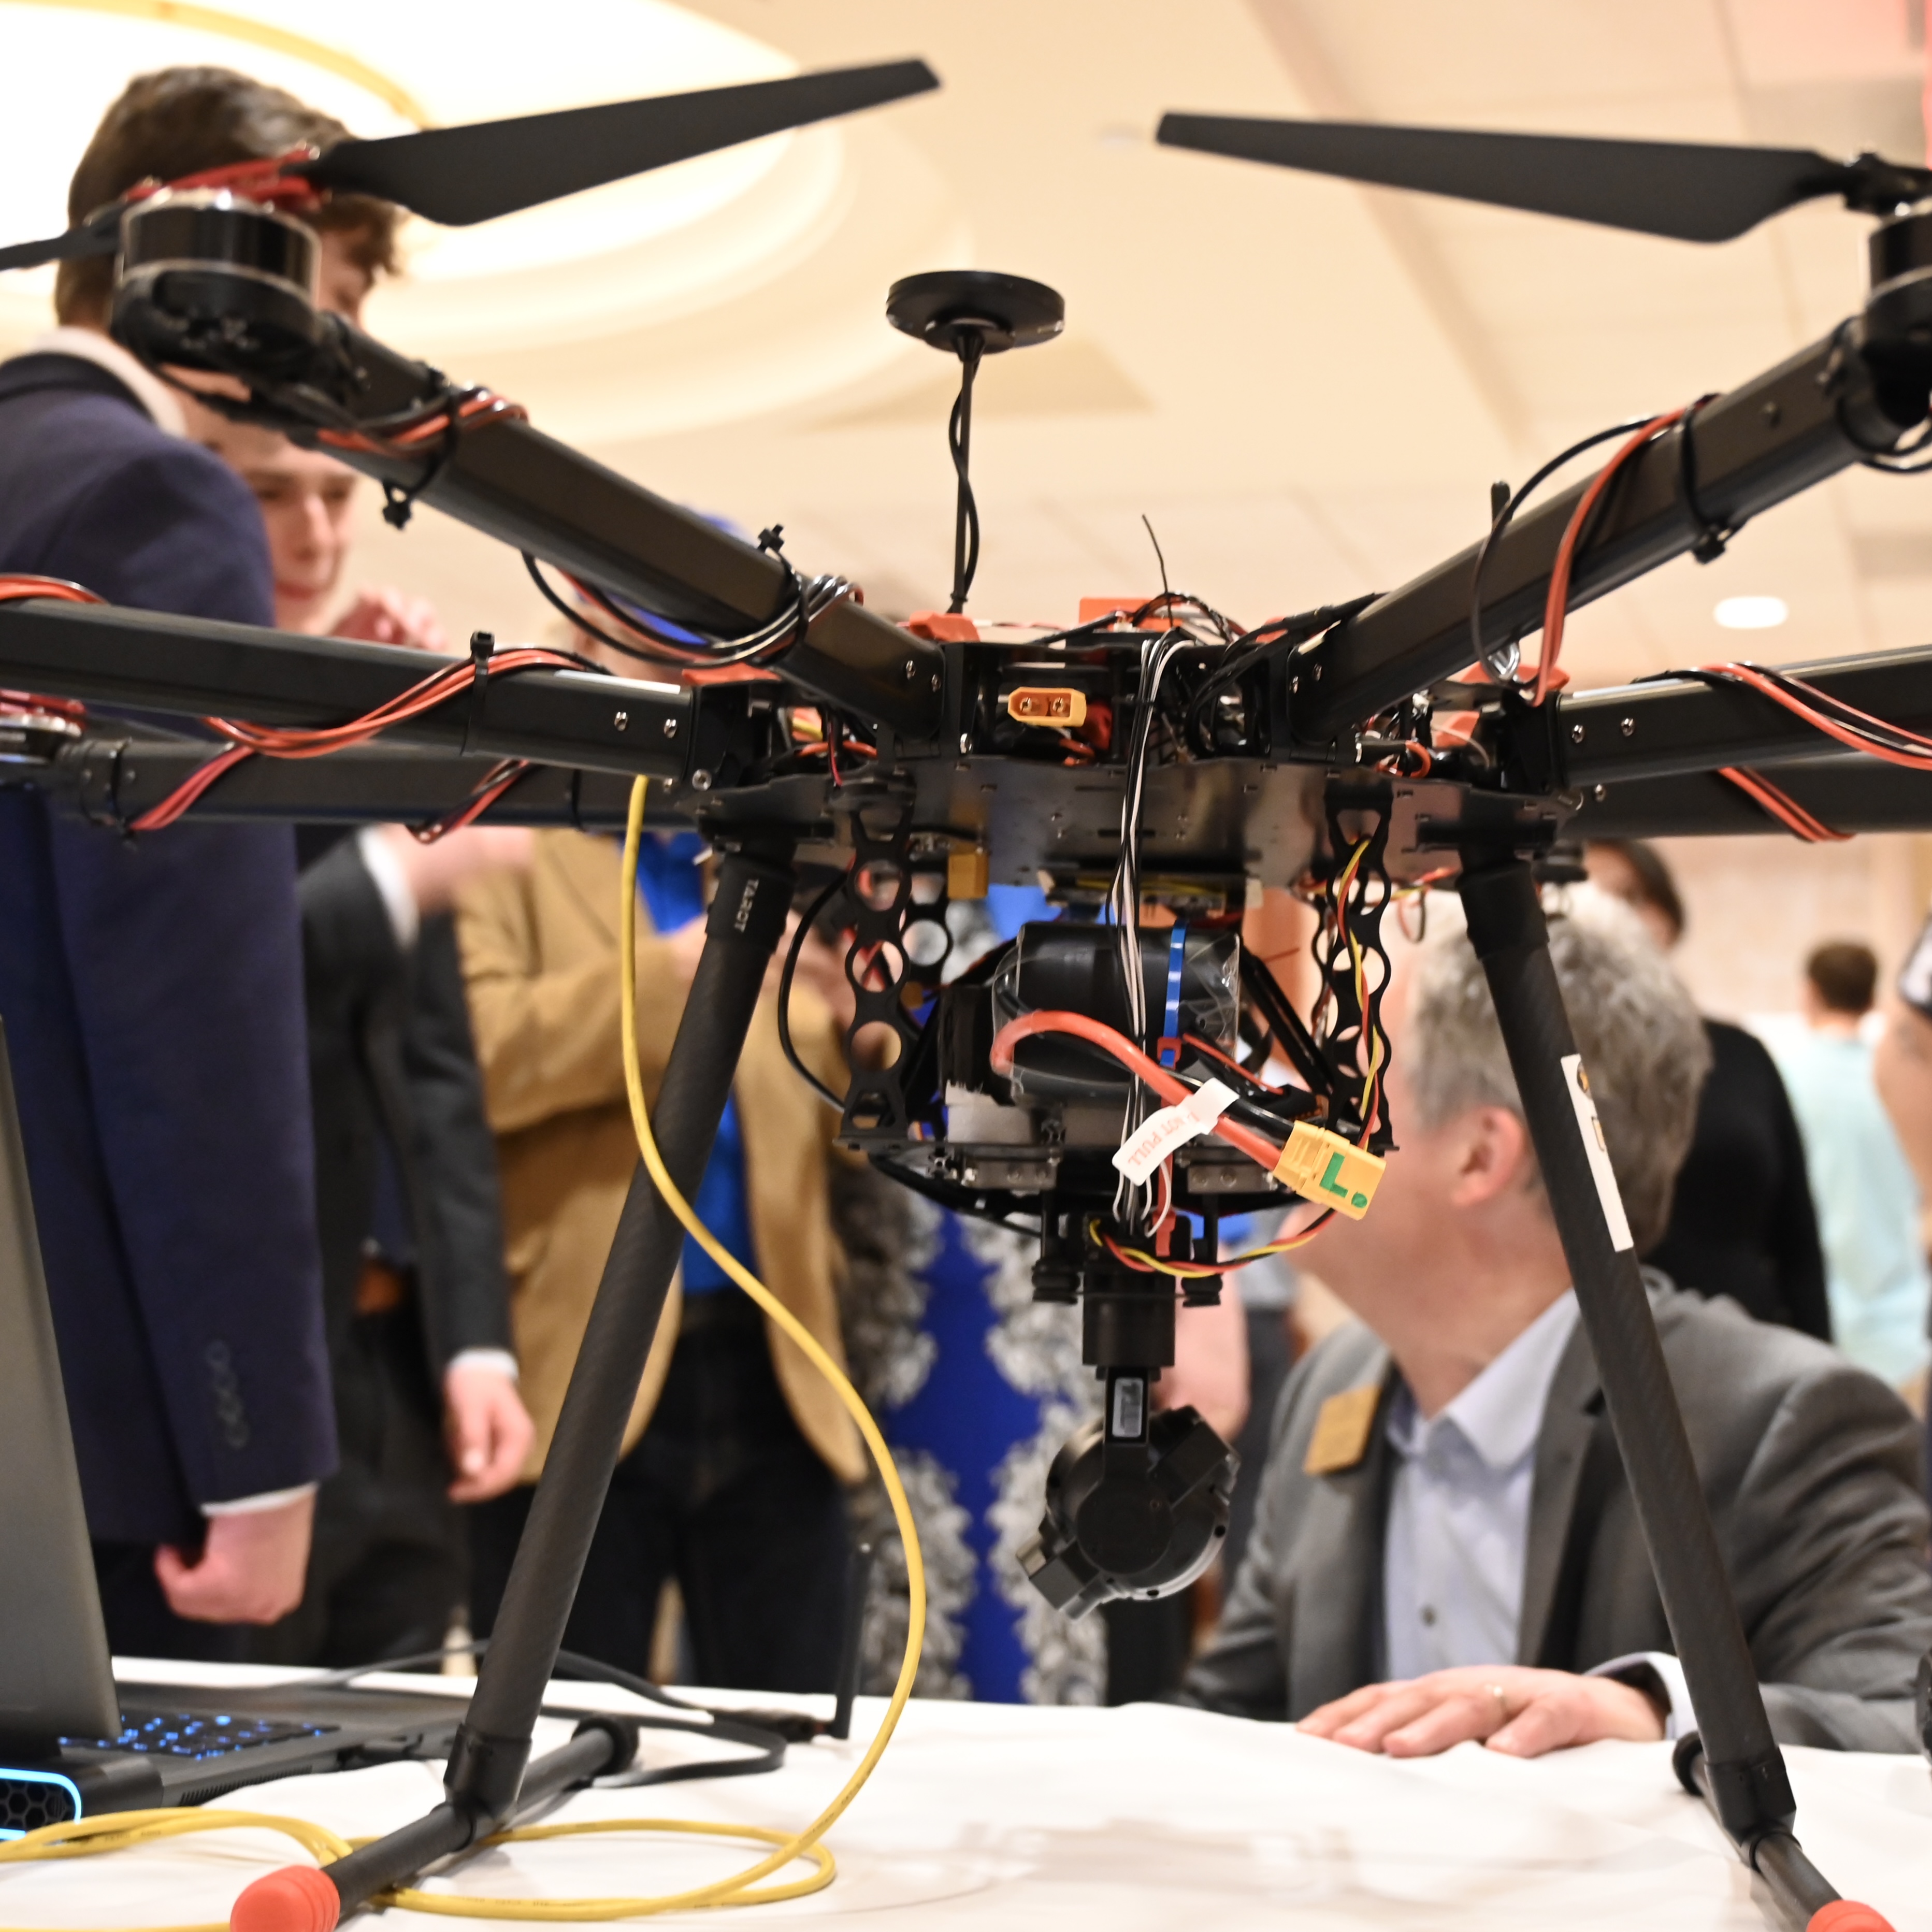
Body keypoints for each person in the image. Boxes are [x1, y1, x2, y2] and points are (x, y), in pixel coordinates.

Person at [1184, 894, 1932, 1756]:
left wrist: (1655, 1716)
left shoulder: (1783, 1423)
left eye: (1341, 1072)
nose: (1280, 1099)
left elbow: (1897, 1730)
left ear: (1480, 1155)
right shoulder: (1334, 1386)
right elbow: (1232, 1724)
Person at [0, 65, 400, 1655]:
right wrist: (256, 1451)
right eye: (340, 305)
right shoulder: (155, 494)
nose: (342, 369)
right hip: (80, 1425)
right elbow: (189, 1011)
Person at [183, 406, 537, 1664]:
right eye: (277, 494)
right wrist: (389, 871)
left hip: (395, 1360)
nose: (319, 528)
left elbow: (434, 1069)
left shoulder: (367, 722)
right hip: (241, 1357)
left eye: (340, 498)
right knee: (228, 1757)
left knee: (390, 1756)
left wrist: (477, 1342)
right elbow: (201, 999)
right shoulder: (155, 719)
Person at [453, 696, 866, 1691]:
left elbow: (831, 1113)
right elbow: (474, 1058)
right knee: (559, 1734)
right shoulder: (508, 834)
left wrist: (857, 1026)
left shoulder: (779, 858)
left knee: (793, 1734)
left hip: (778, 1368)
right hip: (578, 1362)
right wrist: (674, 978)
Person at [1586, 840, 1830, 1338]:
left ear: (1668, 917)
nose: (1608, 918)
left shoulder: (1742, 1055)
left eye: (1629, 897)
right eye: (1586, 898)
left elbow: (1798, 1238)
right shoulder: (1541, 1064)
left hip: (1753, 1347)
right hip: (1611, 1356)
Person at [1771, 942, 1929, 1403]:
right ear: (1872, 997)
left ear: (1810, 993)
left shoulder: (1786, 1078)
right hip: (1903, 1326)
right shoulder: (1908, 1080)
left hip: (1820, 1324)